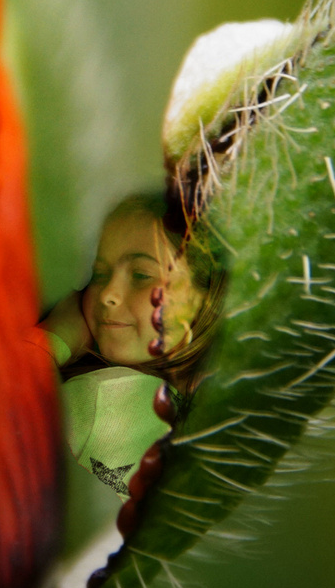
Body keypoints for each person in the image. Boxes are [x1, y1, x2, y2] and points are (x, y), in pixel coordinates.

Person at [35, 193, 224, 497]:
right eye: (99, 273)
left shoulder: (110, 398)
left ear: (202, 302)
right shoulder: (191, 426)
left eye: (140, 275)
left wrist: (51, 340)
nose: (108, 293)